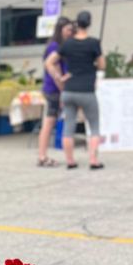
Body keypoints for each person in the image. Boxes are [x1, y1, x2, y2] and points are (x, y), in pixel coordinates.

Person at [45, 10, 105, 169]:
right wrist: (91, 64)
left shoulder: (68, 44)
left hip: (69, 90)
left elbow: (50, 62)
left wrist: (58, 77)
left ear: (76, 24)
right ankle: (93, 160)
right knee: (94, 125)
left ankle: (70, 160)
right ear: (89, 23)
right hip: (87, 90)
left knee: (68, 126)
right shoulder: (94, 43)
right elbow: (102, 65)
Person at [37, 16, 74, 167]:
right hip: (53, 88)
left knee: (49, 121)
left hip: (53, 88)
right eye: (68, 30)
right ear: (61, 30)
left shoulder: (58, 45)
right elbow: (55, 69)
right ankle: (42, 155)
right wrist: (62, 90)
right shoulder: (55, 47)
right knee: (49, 121)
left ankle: (42, 154)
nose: (70, 33)